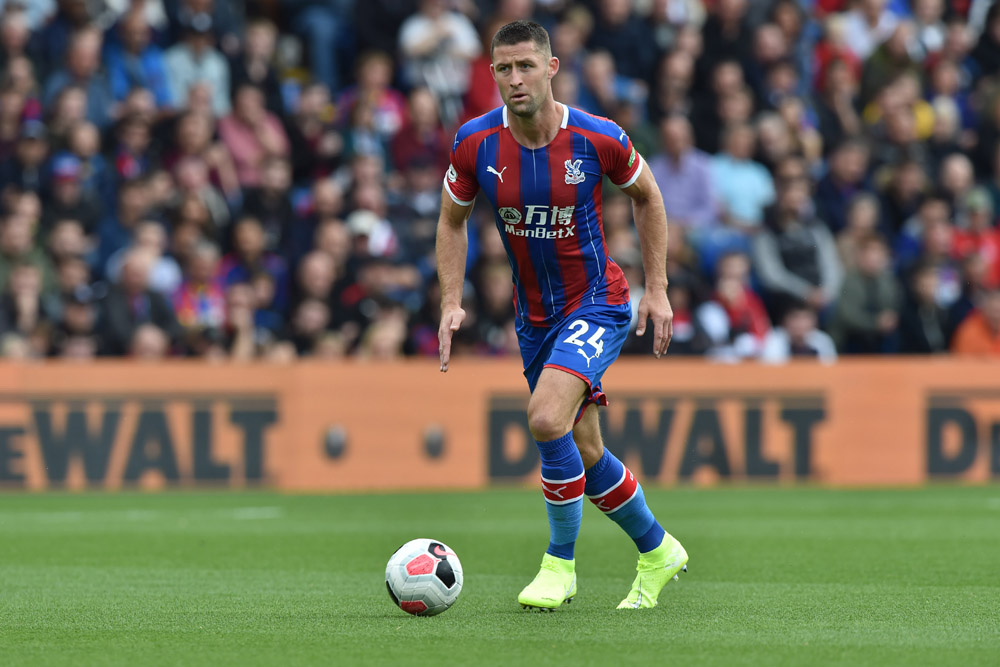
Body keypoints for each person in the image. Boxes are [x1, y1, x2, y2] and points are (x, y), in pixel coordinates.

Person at [435, 20, 686, 612]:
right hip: (535, 319)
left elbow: (648, 196)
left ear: (551, 68)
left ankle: (559, 566)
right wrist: (450, 300)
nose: (515, 79)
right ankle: (658, 550)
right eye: (504, 69)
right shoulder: (474, 143)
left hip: (598, 301)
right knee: (586, 450)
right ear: (492, 74)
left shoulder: (598, 137)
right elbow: (451, 220)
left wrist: (657, 289)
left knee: (547, 419)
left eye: (526, 65)